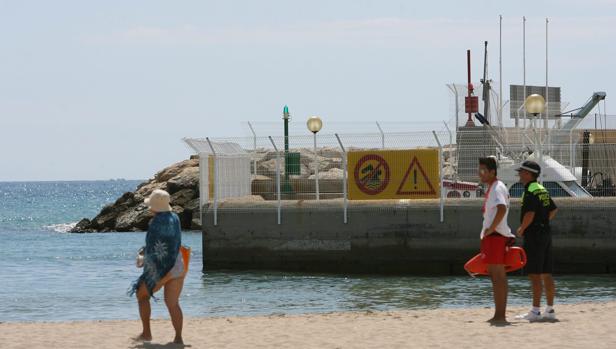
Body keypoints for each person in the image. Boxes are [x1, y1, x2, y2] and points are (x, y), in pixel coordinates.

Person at [129, 189, 188, 344]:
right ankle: (178, 338)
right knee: (173, 303)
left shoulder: (155, 223)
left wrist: (142, 256)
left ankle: (147, 333)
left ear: (154, 207)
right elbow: (169, 244)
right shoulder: (175, 218)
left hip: (161, 270)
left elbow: (154, 249)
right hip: (177, 266)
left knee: (142, 296)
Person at [515, 161, 558, 322]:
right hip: (546, 233)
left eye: (521, 172)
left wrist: (522, 229)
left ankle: (535, 311)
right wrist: (543, 221)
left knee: (534, 273)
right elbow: (554, 209)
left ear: (528, 174)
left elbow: (530, 214)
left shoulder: (530, 191)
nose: (519, 174)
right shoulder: (542, 189)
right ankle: (550, 309)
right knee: (546, 272)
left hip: (534, 235)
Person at [478, 157, 515, 324]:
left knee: (498, 276)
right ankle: (498, 313)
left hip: (496, 236)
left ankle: (501, 315)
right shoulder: (493, 187)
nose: (481, 174)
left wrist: (492, 228)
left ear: (493, 172)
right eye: (480, 170)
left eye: (484, 170)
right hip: (493, 237)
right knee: (495, 276)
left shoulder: (497, 188)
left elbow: (501, 208)